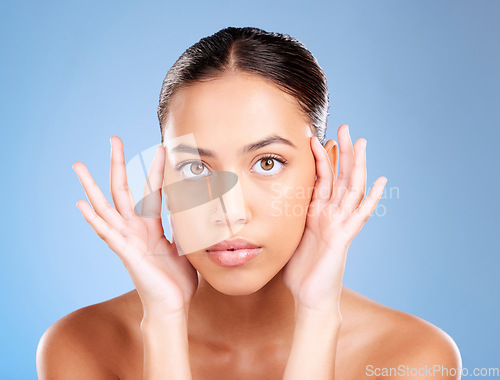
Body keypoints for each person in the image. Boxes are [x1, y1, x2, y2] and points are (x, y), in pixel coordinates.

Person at [36, 26, 461, 379]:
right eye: (196, 169)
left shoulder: (412, 358)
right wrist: (164, 321)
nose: (230, 211)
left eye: (268, 162)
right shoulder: (82, 347)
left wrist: (317, 316)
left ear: (324, 170)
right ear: (162, 178)